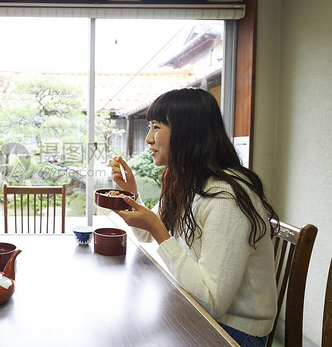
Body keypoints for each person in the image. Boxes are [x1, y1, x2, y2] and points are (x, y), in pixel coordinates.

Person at [109, 88, 278, 347]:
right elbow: (145, 233)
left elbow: (212, 302)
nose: (148, 139)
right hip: (196, 309)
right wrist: (131, 194)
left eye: (156, 127)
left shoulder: (227, 197)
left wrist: (159, 230)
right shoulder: (187, 181)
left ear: (187, 131)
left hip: (234, 331)